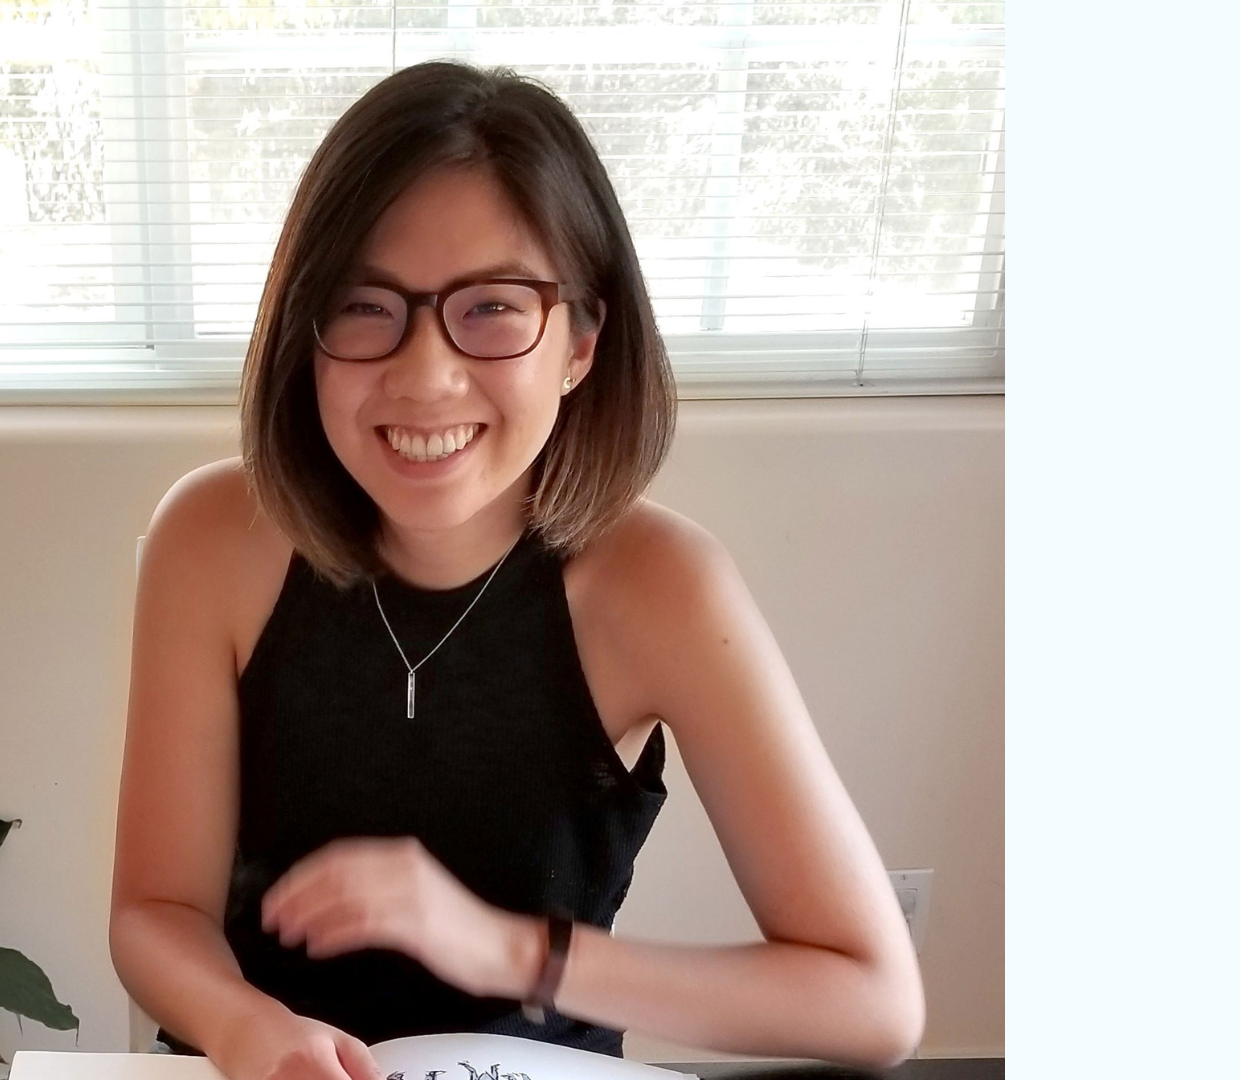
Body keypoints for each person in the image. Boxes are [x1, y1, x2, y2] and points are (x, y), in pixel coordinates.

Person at [108, 60, 923, 1080]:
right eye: (366, 306)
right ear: (303, 336)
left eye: (492, 307)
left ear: (581, 340)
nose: (425, 376)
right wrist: (238, 1024)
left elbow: (872, 999)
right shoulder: (211, 536)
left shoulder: (661, 586)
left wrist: (505, 948)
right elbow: (156, 911)